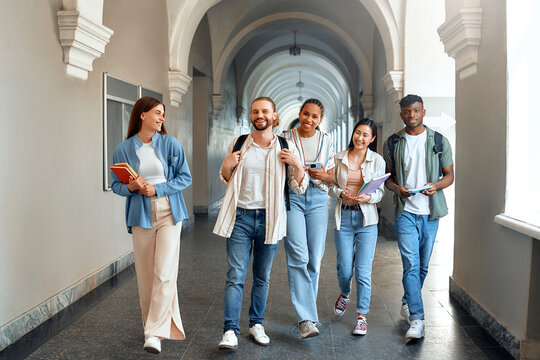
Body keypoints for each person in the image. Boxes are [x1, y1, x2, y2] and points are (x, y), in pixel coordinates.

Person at [213, 96, 308, 350]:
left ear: (274, 115)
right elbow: (226, 178)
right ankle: (230, 330)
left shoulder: (286, 146)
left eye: (265, 111)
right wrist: (225, 165)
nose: (260, 115)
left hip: (270, 218)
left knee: (262, 276)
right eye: (255, 111)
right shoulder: (239, 143)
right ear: (252, 116)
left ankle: (256, 324)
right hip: (241, 218)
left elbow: (299, 187)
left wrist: (297, 165)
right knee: (235, 275)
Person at [111, 96, 192, 354]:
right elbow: (115, 185)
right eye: (157, 113)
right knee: (146, 276)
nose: (161, 118)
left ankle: (153, 333)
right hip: (140, 215)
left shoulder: (170, 144)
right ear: (142, 115)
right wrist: (131, 187)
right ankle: (155, 327)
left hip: (170, 212)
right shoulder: (123, 148)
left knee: (164, 272)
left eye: (163, 114)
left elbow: (184, 177)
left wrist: (156, 189)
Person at [383, 94, 454, 340]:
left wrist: (436, 185)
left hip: (431, 211)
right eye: (406, 111)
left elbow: (449, 176)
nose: (411, 115)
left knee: (423, 265)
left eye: (415, 110)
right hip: (405, 211)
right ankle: (417, 318)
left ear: (423, 111)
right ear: (401, 113)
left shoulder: (439, 141)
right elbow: (387, 178)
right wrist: (397, 189)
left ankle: (407, 300)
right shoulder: (393, 142)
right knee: (411, 264)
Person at [280, 98, 335, 338]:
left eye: (314, 116)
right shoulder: (284, 138)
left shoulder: (326, 140)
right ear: (299, 113)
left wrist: (323, 174)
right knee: (298, 256)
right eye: (305, 114)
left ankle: (309, 314)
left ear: (320, 120)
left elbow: (332, 176)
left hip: (318, 199)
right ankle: (305, 319)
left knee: (314, 258)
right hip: (292, 197)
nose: (309, 120)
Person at [328, 119, 386, 336]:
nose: (360, 138)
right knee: (344, 268)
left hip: (366, 221)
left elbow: (380, 192)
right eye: (357, 133)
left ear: (372, 139)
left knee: (363, 271)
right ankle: (345, 293)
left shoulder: (377, 160)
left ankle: (362, 316)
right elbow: (330, 185)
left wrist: (369, 197)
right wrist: (340, 193)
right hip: (343, 217)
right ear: (353, 134)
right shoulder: (339, 158)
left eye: (365, 135)